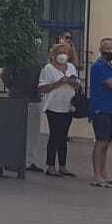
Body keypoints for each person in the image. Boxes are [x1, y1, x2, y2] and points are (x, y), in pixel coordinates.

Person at [88, 37, 112, 187]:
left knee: (106, 144)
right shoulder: (98, 66)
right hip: (100, 109)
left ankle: (104, 174)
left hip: (111, 109)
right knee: (100, 142)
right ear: (101, 49)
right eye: (108, 48)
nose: (111, 51)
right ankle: (97, 176)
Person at [37, 48, 80, 177]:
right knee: (55, 135)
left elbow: (77, 83)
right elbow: (42, 88)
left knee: (63, 136)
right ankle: (50, 165)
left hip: (68, 105)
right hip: (53, 106)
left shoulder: (71, 67)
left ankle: (62, 165)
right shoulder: (48, 69)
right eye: (60, 53)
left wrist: (73, 82)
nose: (63, 55)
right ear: (54, 55)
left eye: (65, 53)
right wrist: (58, 83)